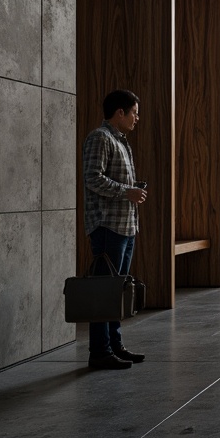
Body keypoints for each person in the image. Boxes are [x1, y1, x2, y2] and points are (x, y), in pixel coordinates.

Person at [82, 89, 147, 371]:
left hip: (125, 226)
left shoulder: (121, 141)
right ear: (119, 113)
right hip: (108, 227)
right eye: (133, 112)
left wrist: (132, 193)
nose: (136, 118)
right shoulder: (100, 138)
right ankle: (100, 351)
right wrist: (127, 192)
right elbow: (92, 178)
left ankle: (115, 345)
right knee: (104, 292)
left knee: (116, 292)